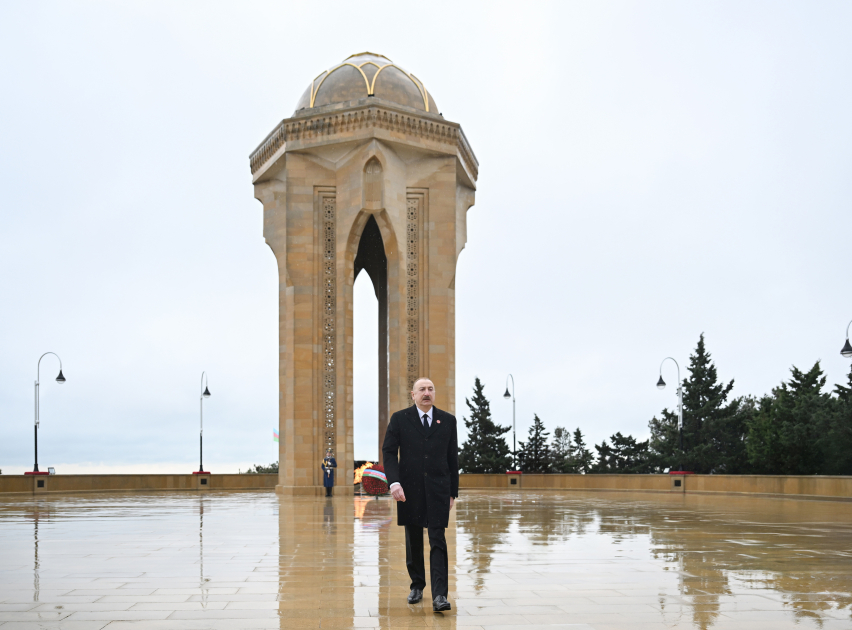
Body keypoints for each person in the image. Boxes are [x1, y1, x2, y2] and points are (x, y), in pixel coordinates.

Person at [382, 377, 459, 612]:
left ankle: (440, 596)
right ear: (413, 395)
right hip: (409, 488)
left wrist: (452, 492)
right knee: (413, 539)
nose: (427, 393)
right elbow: (388, 452)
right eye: (422, 389)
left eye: (430, 389)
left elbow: (452, 459)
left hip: (438, 489)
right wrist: (394, 482)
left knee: (438, 539)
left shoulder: (447, 421)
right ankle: (417, 585)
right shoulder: (399, 419)